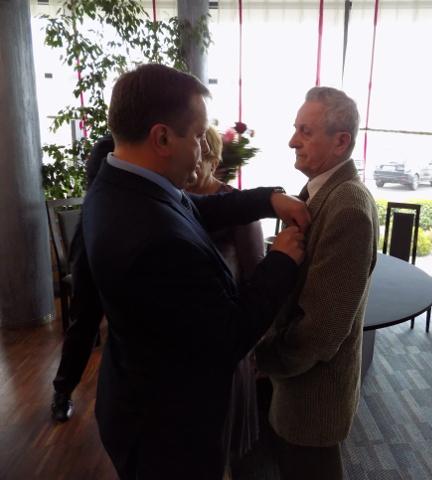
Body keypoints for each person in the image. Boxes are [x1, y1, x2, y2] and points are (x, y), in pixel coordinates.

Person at [82, 63, 309, 480]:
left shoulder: (119, 181)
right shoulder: (155, 240)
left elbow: (195, 208)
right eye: (199, 137)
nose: (205, 150)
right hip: (166, 434)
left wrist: (267, 200)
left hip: (135, 394)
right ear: (162, 138)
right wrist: (281, 260)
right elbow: (229, 337)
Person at [255, 86, 379, 480]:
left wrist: (263, 360)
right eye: (296, 129)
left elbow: (322, 329)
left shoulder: (348, 207)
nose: (293, 141)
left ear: (341, 141)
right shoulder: (319, 193)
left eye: (305, 132)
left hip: (314, 397)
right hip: (297, 388)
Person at [185, 125, 263, 476]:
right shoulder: (173, 199)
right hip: (186, 336)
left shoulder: (236, 205)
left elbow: (255, 276)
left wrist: (255, 341)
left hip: (226, 332)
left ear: (214, 161)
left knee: (220, 434)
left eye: (200, 156)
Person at [50, 134, 114, 422]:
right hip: (92, 239)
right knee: (84, 323)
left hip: (120, 237)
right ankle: (62, 391)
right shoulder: (107, 147)